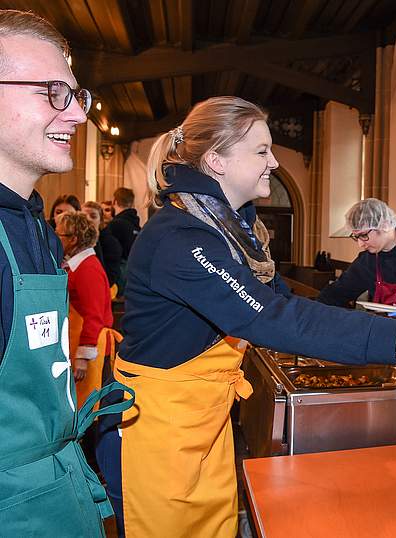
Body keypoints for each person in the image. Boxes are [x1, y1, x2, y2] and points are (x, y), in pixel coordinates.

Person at [99, 96, 396, 538]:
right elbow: (272, 317)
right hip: (154, 431)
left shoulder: (228, 231)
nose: (273, 162)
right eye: (261, 151)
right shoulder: (182, 237)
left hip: (197, 425)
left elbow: (288, 302)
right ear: (216, 161)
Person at [0, 9, 131, 536]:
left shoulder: (33, 224)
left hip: (56, 493)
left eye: (77, 95)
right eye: (53, 92)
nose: (77, 114)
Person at [55, 211, 120, 408]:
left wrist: (83, 356)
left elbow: (94, 315)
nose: (56, 239)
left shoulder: (87, 268)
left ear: (74, 239)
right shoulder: (78, 265)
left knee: (89, 405)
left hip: (94, 348)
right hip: (84, 342)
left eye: (60, 235)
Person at [83, 200, 122, 288]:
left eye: (93, 216)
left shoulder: (111, 243)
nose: (88, 219)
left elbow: (110, 277)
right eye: (84, 216)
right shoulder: (74, 240)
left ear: (100, 221)